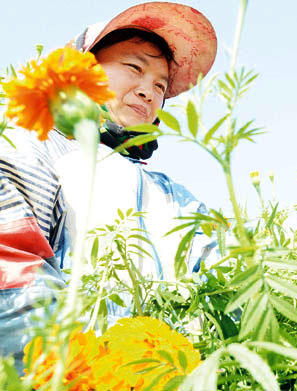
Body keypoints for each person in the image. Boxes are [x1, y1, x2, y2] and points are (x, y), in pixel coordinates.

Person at [0, 2, 218, 370]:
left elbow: (218, 288)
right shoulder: (31, 147)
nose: (149, 92)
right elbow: (13, 271)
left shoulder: (176, 197)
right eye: (134, 67)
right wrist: (80, 371)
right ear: (79, 72)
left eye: (160, 86)